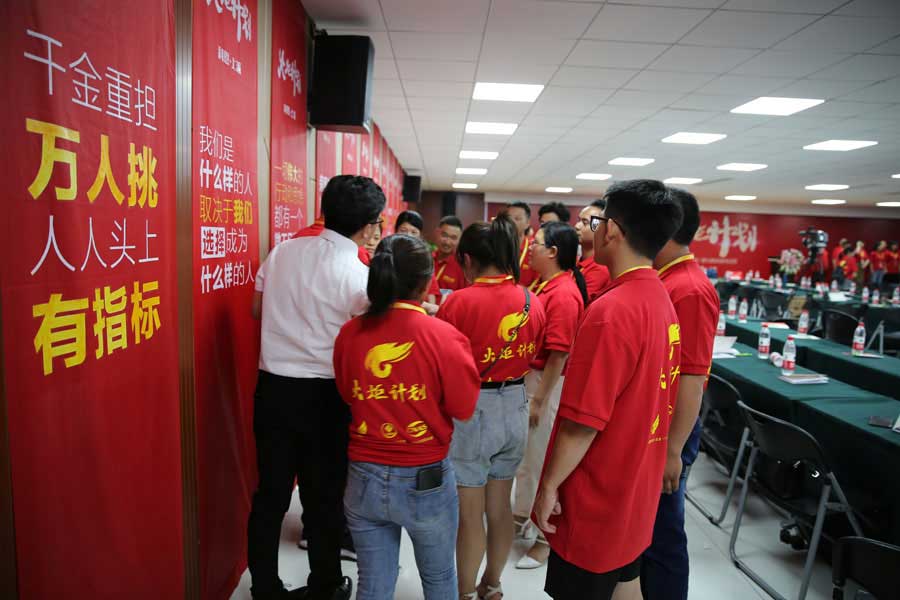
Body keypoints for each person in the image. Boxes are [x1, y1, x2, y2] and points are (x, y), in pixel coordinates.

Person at [533, 179, 683, 600]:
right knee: (625, 582)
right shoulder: (660, 299)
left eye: (597, 223)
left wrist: (549, 485)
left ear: (612, 229)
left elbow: (583, 422)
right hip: (635, 483)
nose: (594, 231)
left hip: (597, 492)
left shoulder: (611, 312)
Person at [248, 175, 385, 600]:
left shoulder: (282, 251)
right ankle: (325, 586)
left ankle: (265, 588)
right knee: (322, 497)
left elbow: (256, 308)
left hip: (272, 389)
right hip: (325, 397)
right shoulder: (359, 275)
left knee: (270, 495)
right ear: (368, 226)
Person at [333, 234, 481, 600]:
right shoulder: (445, 338)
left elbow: (347, 394)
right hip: (425, 478)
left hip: (363, 474)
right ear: (427, 281)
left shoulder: (350, 333)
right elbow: (463, 408)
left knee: (373, 583)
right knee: (439, 578)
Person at [437, 215, 547, 600]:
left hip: (474, 409)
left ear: (467, 259)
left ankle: (465, 592)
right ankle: (493, 584)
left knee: (470, 514)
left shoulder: (458, 303)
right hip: (515, 403)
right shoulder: (533, 301)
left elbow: (443, 363)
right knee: (500, 506)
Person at [642, 188, 719, 600]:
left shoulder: (689, 288)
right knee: (648, 530)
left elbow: (692, 376)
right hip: (655, 425)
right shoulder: (665, 278)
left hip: (670, 430)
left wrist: (672, 450)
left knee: (663, 534)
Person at [514, 222, 588, 570]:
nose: (530, 249)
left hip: (547, 383)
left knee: (541, 460)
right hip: (535, 380)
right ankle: (525, 519)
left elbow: (559, 353)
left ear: (554, 252)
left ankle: (545, 541)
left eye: (537, 244)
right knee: (528, 459)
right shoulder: (546, 285)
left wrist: (539, 401)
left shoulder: (564, 294)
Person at [396, 210, 442, 309]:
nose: (408, 236)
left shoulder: (425, 261)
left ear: (420, 236)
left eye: (414, 232)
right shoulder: (387, 256)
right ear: (395, 231)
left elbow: (431, 295)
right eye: (403, 230)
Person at [574, 200, 611, 302]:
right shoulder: (577, 261)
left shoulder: (600, 268)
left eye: (584, 222)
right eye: (578, 220)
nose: (577, 226)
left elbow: (579, 302)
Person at [504, 201, 540, 287]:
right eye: (508, 219)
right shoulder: (496, 247)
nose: (511, 222)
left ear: (527, 223)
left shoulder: (534, 249)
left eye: (517, 219)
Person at [433, 216, 468, 292]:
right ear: (437, 233)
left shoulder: (463, 266)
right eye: (444, 235)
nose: (447, 242)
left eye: (453, 238)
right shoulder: (426, 259)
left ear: (460, 240)